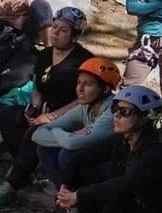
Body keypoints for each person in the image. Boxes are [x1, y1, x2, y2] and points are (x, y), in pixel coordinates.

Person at [0, 7, 94, 209]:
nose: (55, 33)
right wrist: (34, 106)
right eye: (55, 27)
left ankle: (11, 184)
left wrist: (52, 116)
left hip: (71, 116)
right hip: (44, 109)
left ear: (74, 36)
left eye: (63, 30)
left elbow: (84, 99)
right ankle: (25, 168)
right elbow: (37, 86)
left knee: (36, 132)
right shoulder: (45, 54)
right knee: (8, 115)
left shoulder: (84, 61)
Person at [31, 57, 122, 190]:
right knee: (44, 147)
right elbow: (37, 134)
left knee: (67, 154)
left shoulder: (112, 110)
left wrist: (63, 134)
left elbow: (72, 143)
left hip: (116, 166)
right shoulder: (84, 107)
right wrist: (68, 135)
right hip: (91, 157)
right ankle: (64, 193)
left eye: (88, 84)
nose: (80, 88)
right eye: (79, 82)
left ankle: (74, 195)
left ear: (105, 89)